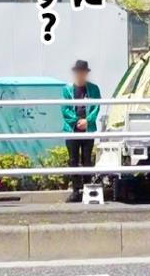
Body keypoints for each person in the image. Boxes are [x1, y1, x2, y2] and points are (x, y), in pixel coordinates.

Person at [61, 60, 101, 203]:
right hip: (72, 130)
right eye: (78, 72)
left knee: (87, 159)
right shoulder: (66, 90)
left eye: (83, 72)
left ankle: (87, 189)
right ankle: (76, 190)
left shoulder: (93, 89)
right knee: (73, 160)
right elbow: (65, 109)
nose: (80, 74)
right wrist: (77, 121)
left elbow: (96, 107)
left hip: (87, 129)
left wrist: (88, 121)